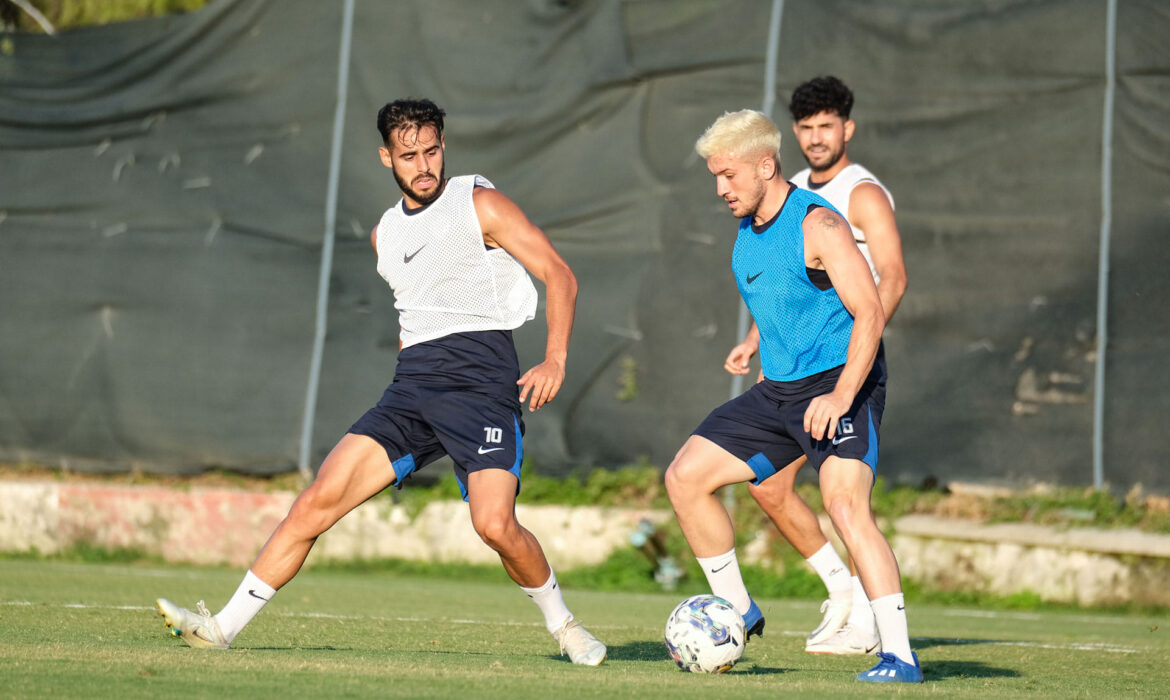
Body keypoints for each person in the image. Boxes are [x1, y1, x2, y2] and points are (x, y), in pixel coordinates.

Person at [156, 98, 606, 666]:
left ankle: (565, 627)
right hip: (413, 389)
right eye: (409, 155)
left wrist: (555, 359)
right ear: (386, 158)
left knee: (494, 524)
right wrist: (408, 370)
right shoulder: (384, 235)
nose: (424, 165)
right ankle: (220, 628)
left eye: (431, 151)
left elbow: (559, 274)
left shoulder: (479, 204)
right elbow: (412, 314)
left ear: (443, 146)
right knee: (315, 502)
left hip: (480, 384)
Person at [666, 108, 921, 682]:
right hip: (779, 391)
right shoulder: (746, 233)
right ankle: (738, 609)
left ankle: (900, 656)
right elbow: (786, 301)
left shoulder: (820, 225)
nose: (720, 188)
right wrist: (757, 347)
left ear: (765, 166)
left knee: (845, 506)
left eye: (729, 174)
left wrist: (842, 396)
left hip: (839, 384)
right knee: (685, 477)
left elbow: (870, 312)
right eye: (714, 176)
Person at [723, 76, 907, 656]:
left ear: (847, 129)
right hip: (794, 371)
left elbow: (891, 279)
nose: (816, 137)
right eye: (806, 127)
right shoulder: (788, 190)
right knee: (768, 486)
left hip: (843, 367)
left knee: (845, 498)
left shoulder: (862, 194)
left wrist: (851, 353)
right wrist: (758, 341)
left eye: (827, 125)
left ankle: (873, 622)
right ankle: (842, 591)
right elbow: (789, 283)